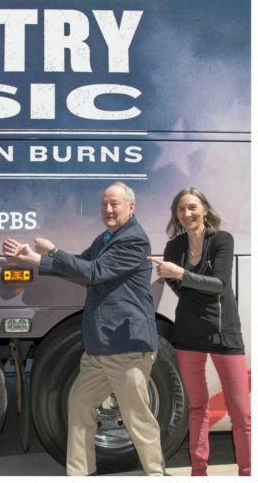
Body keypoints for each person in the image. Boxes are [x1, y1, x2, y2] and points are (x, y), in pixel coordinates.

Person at [2, 182, 164, 476]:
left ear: (131, 207)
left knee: (138, 418)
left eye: (114, 204)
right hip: (100, 347)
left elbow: (93, 273)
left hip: (126, 346)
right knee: (79, 405)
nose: (108, 210)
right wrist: (34, 258)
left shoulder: (134, 240)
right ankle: (79, 474)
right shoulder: (106, 238)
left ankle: (156, 474)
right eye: (104, 204)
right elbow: (80, 263)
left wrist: (53, 249)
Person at [148, 188, 249, 476]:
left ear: (205, 209)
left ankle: (247, 471)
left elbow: (219, 284)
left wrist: (181, 274)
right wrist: (189, 281)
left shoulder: (222, 240)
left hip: (223, 332)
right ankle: (199, 471)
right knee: (197, 406)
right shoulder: (173, 248)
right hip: (189, 333)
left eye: (192, 207)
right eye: (181, 209)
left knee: (240, 411)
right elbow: (184, 292)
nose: (187, 214)